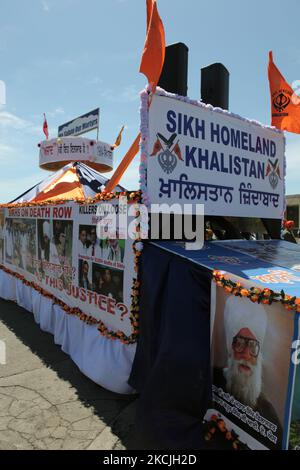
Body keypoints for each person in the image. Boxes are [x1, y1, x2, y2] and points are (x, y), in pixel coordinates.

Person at [213, 294, 283, 449]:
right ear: (230, 349)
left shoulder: (270, 420)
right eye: (239, 343)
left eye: (253, 346)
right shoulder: (212, 380)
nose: (245, 353)